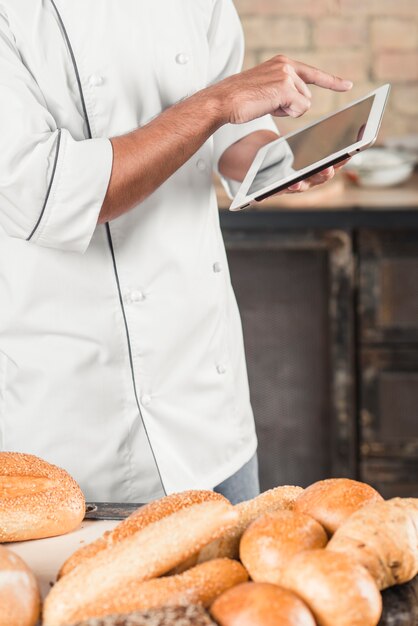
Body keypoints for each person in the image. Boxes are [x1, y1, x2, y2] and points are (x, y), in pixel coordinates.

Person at [0, 0, 352, 504]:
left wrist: (276, 162)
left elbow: (229, 134)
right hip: (75, 434)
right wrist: (214, 105)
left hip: (211, 412)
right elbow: (52, 195)